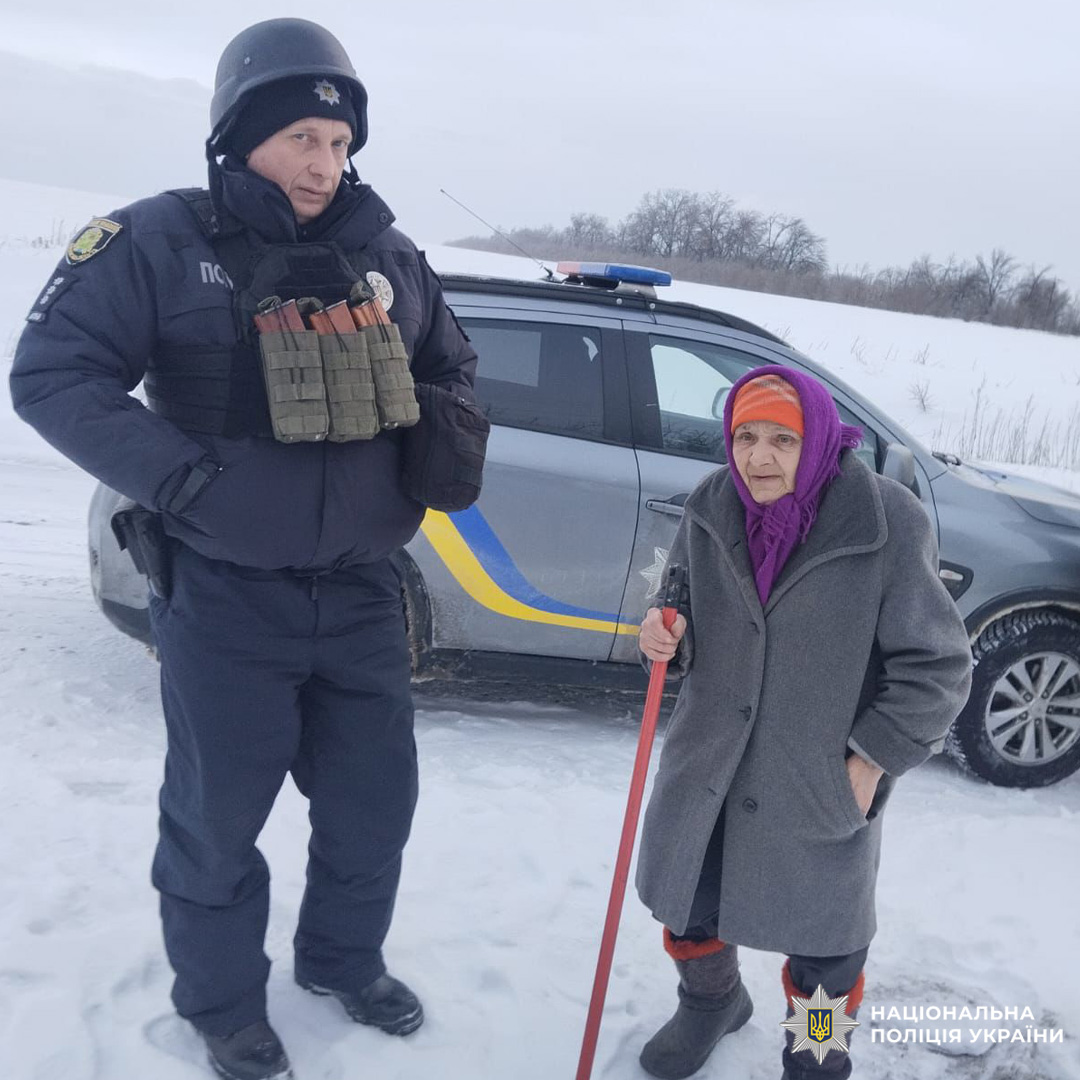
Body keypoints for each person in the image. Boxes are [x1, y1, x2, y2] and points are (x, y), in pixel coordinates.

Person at [10, 18, 478, 1080]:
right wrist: (184, 478)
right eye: (304, 137)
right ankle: (223, 1003)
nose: (326, 164)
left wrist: (438, 429)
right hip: (224, 600)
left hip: (363, 593)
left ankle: (341, 962)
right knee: (217, 823)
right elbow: (50, 374)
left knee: (373, 810)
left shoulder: (389, 256)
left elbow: (453, 361)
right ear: (242, 133)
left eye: (342, 144)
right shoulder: (159, 242)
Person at [634, 367, 972, 1080]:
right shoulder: (710, 503)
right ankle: (711, 1005)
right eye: (746, 437)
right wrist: (667, 632)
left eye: (783, 440)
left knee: (826, 950)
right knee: (691, 907)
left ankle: (816, 1051)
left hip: (817, 776)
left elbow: (939, 666)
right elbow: (680, 599)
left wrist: (871, 759)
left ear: (817, 439)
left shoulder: (886, 521)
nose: (758, 458)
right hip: (710, 765)